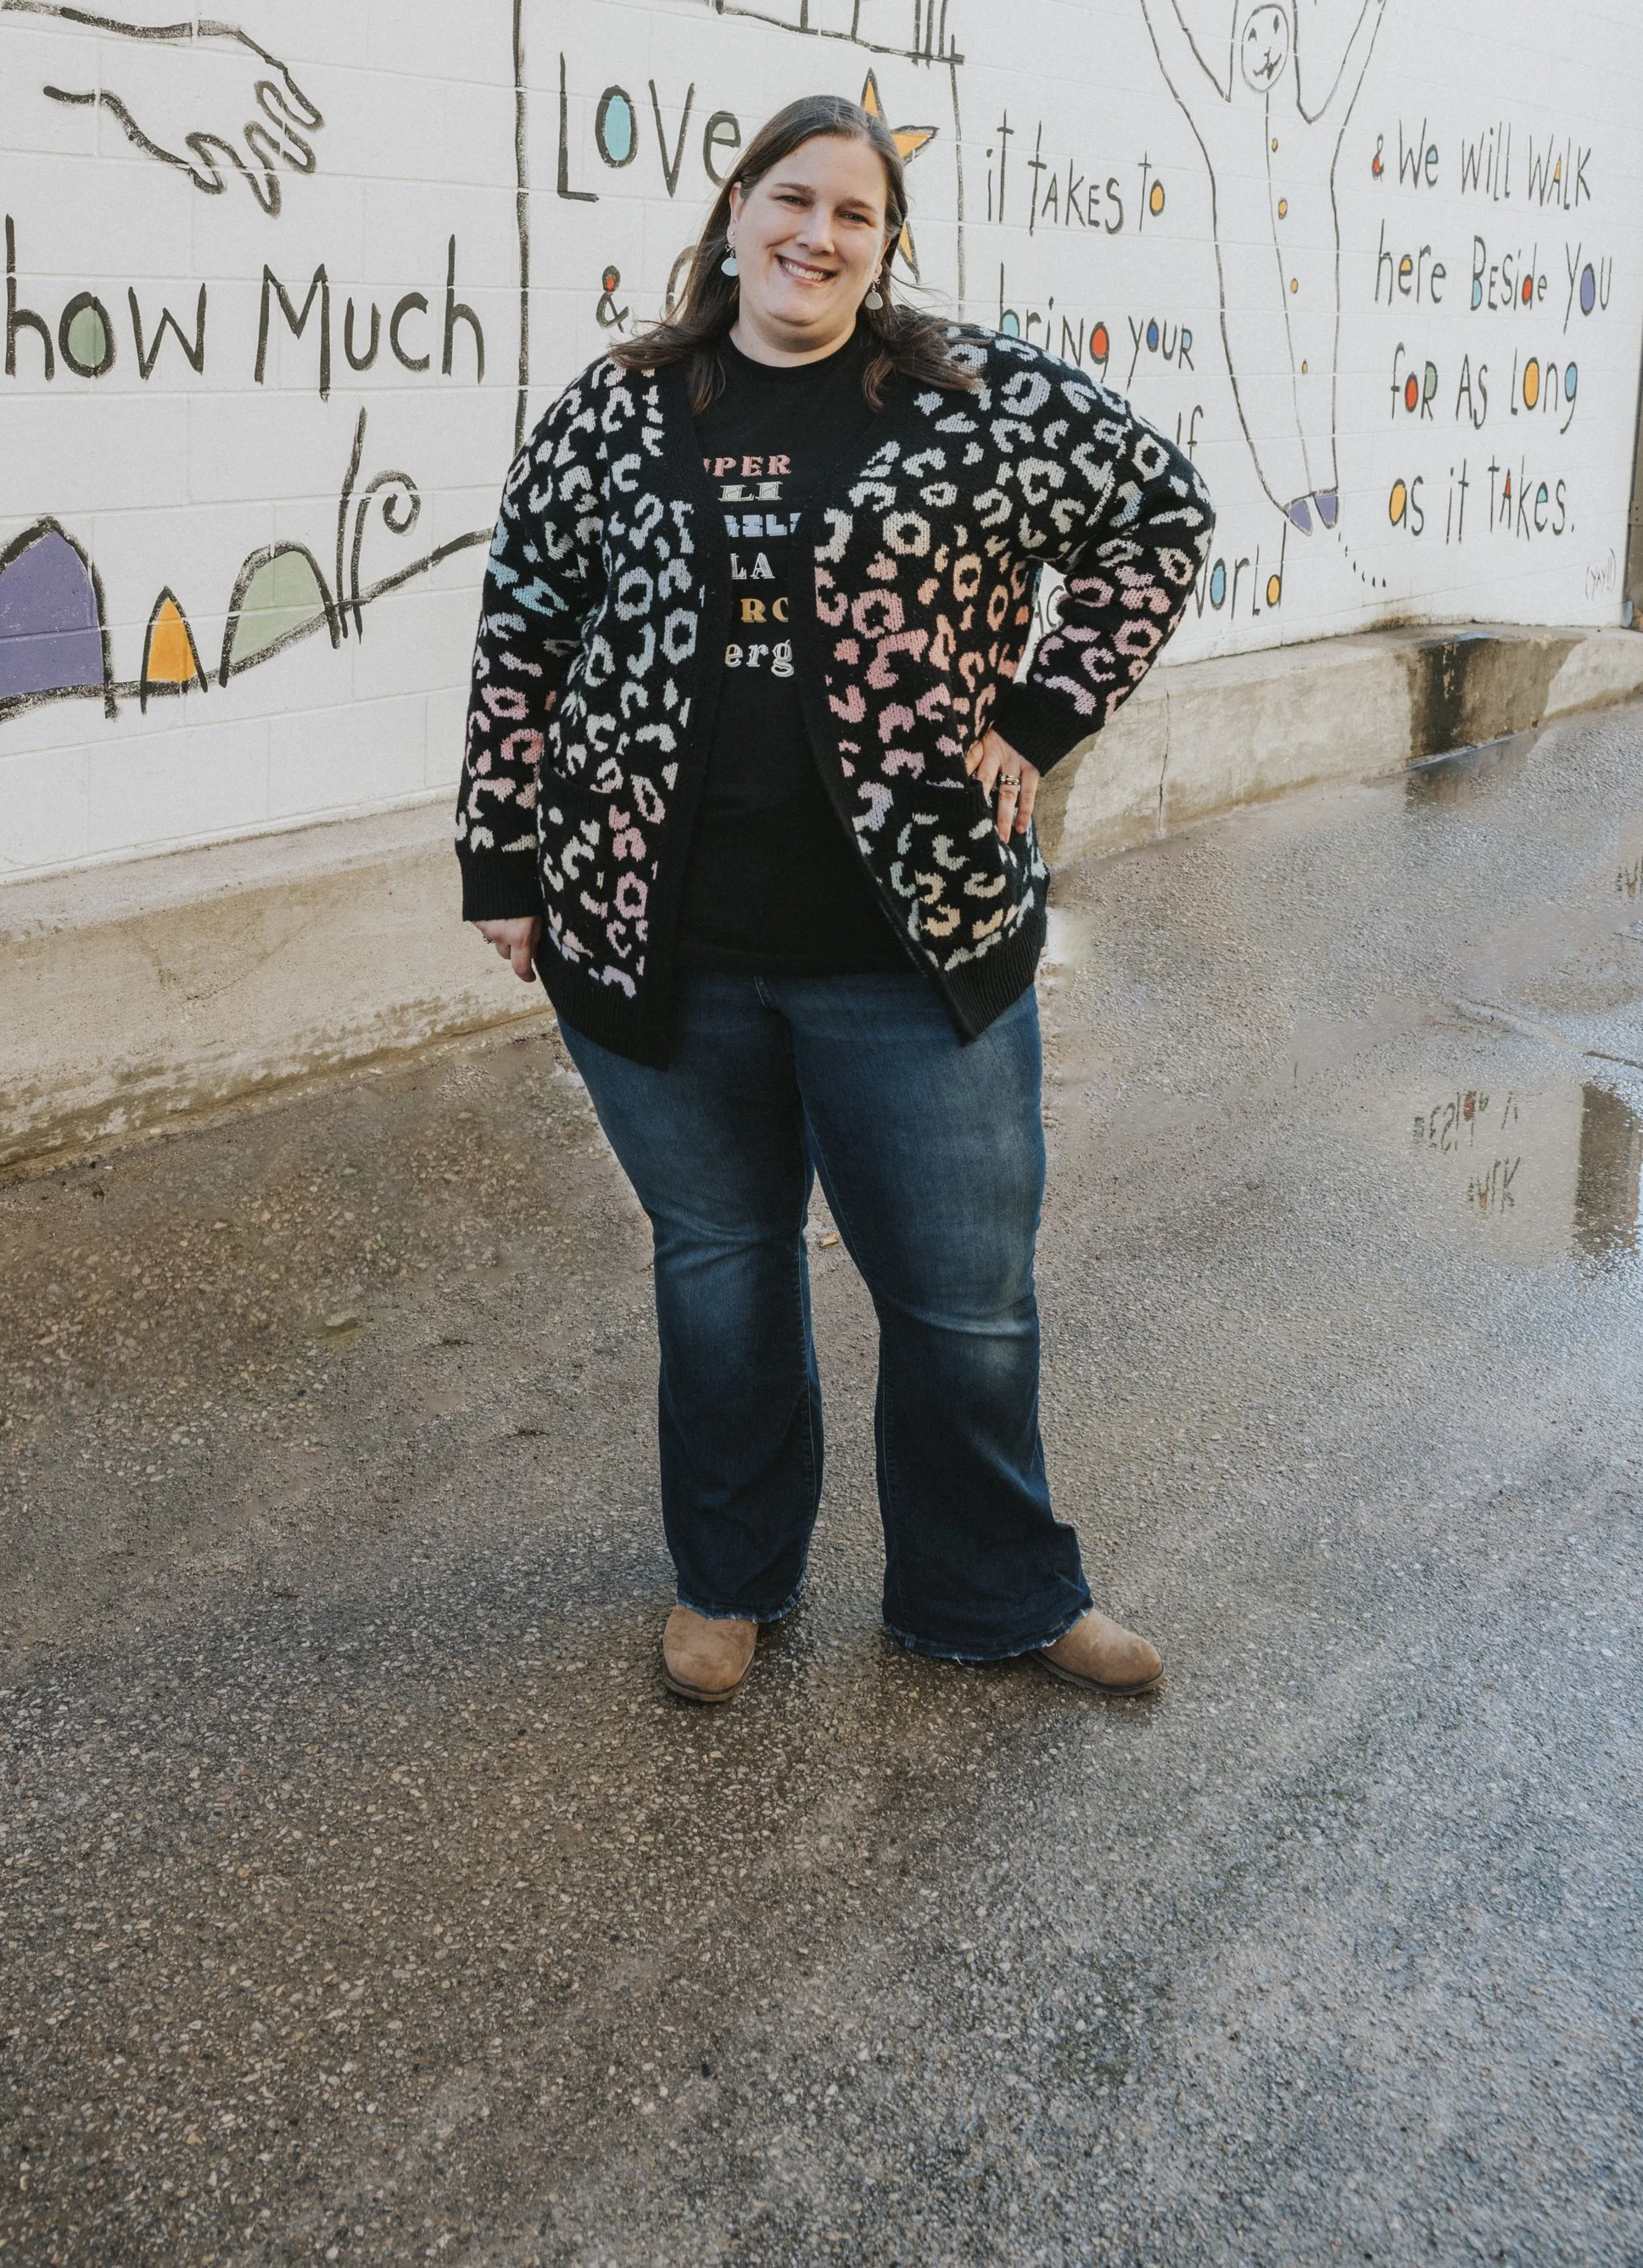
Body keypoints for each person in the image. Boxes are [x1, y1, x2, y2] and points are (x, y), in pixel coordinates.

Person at [456, 94, 1213, 1703]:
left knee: (963, 1300)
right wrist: (506, 861)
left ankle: (998, 1589)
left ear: (886, 249)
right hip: (656, 939)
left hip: (913, 937)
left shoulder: (971, 396)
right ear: (732, 212)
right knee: (721, 1265)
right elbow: (522, 618)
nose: (816, 234)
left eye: (853, 215)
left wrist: (1040, 716)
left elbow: (1160, 516)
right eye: (789, 198)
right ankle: (730, 1582)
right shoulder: (624, 404)